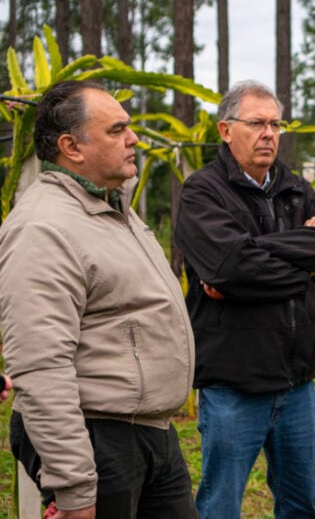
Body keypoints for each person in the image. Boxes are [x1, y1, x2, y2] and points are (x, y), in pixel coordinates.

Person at [0, 80, 197, 518]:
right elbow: (40, 365)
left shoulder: (114, 211)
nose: (133, 140)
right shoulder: (43, 228)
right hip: (100, 441)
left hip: (149, 434)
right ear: (72, 146)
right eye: (116, 130)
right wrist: (74, 487)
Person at [174, 80, 315, 519]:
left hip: (297, 385)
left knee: (299, 506)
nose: (269, 133)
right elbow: (231, 268)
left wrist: (257, 252)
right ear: (226, 130)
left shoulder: (293, 186)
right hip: (234, 385)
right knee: (220, 507)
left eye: (275, 124)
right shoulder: (202, 192)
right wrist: (300, 261)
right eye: (256, 123)